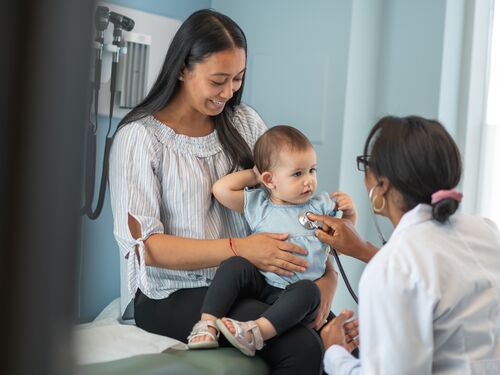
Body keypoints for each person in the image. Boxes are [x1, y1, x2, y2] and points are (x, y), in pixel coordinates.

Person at [108, 9, 357, 374]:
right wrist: (241, 249)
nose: (229, 92)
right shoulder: (140, 139)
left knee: (347, 338)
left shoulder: (245, 123)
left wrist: (327, 280)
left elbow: (290, 204)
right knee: (303, 346)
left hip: (256, 281)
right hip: (170, 294)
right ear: (182, 69)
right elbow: (147, 247)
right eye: (218, 80)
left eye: (238, 79)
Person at [308, 115, 500, 374]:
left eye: (367, 166)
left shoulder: (392, 267)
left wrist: (334, 354)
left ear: (381, 186)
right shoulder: (485, 231)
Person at [186, 125, 358, 357]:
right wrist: (256, 175)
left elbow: (343, 241)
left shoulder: (320, 206)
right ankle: (206, 325)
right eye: (298, 174)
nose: (308, 181)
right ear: (270, 179)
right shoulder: (260, 205)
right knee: (234, 264)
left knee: (309, 291)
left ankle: (255, 333)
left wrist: (349, 215)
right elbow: (221, 189)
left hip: (297, 296)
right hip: (264, 283)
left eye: (312, 171)